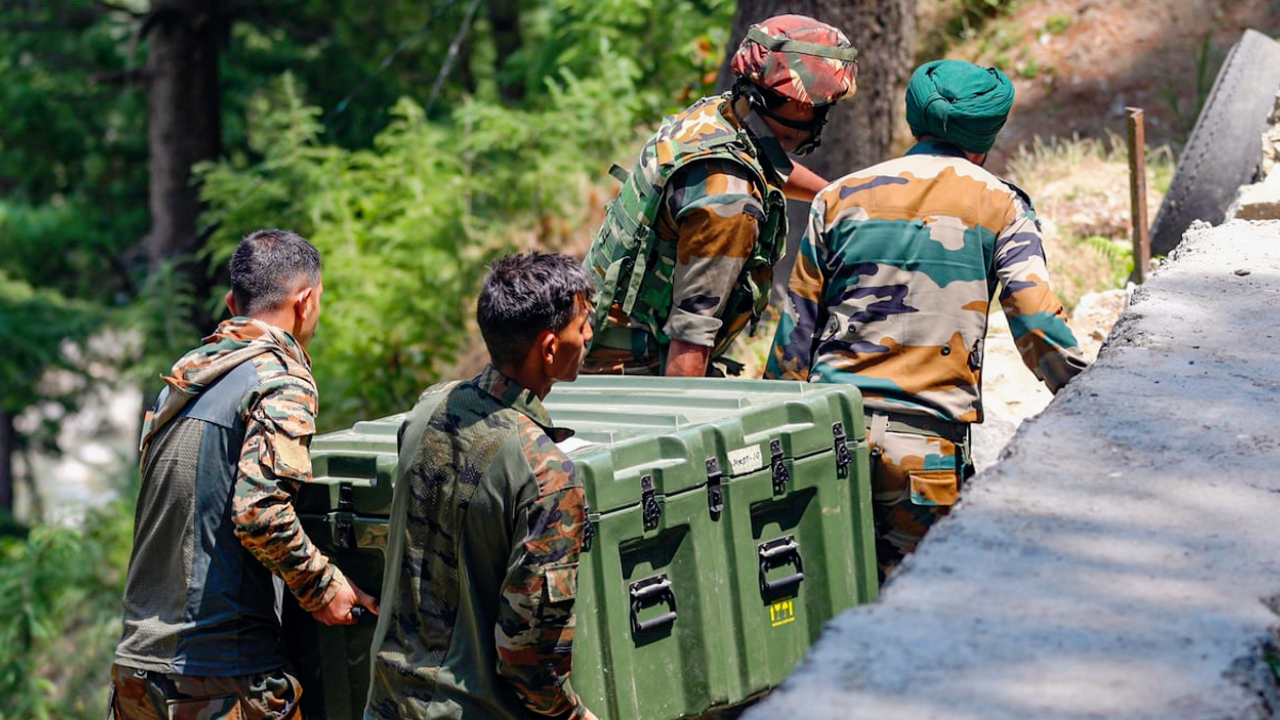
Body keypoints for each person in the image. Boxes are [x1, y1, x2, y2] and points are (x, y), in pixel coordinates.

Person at [765, 60, 1090, 580]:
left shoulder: (837, 196)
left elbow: (794, 339)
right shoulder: (1002, 204)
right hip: (924, 452)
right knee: (916, 607)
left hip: (826, 438)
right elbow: (1036, 326)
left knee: (826, 604)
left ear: (915, 121)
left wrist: (774, 439)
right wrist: (1089, 396)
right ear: (986, 136)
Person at [110, 229, 378, 719]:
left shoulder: (184, 382)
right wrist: (324, 588)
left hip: (138, 672)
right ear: (306, 302)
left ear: (232, 302)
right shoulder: (279, 379)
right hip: (217, 673)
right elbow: (259, 513)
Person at [366, 252, 600, 720]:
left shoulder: (427, 411)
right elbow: (527, 658)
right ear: (550, 348)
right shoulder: (547, 473)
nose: (591, 335)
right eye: (583, 325)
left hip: (389, 704)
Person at [581, 14, 859, 377]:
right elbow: (690, 338)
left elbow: (764, 164)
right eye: (821, 105)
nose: (821, 116)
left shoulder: (715, 117)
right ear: (801, 104)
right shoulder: (728, 200)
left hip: (592, 348)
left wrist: (834, 194)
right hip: (628, 380)